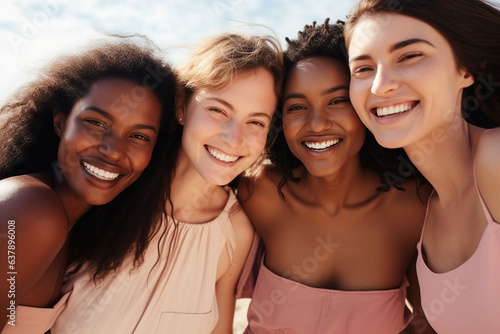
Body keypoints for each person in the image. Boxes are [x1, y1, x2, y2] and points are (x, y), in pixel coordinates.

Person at [51, 32, 284, 334]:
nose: (233, 139)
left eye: (256, 122)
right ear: (181, 106)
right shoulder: (112, 185)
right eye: (217, 110)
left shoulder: (236, 231)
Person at [236, 19, 433, 334]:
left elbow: (433, 323)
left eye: (338, 101)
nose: (316, 124)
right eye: (297, 107)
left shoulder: (417, 207)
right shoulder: (256, 193)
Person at [0, 37, 177, 333]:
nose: (113, 150)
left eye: (139, 136)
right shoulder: (33, 209)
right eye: (96, 123)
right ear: (60, 122)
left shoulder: (69, 228)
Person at [345, 0, 500, 333]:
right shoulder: (425, 212)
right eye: (363, 68)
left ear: (466, 70)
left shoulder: (495, 158)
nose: (379, 85)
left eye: (409, 56)